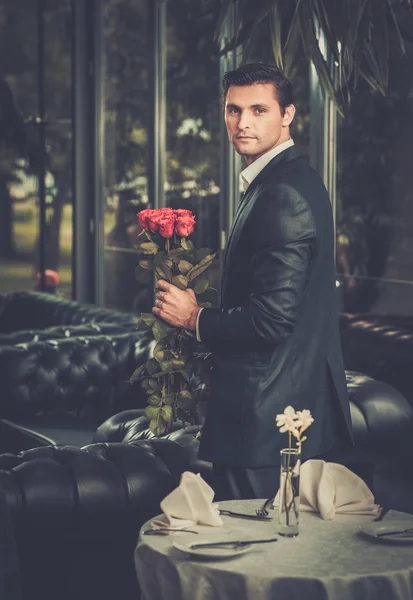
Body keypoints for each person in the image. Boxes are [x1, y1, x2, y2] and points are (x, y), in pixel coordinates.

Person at [152, 62, 353, 501]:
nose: (243, 123)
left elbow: (270, 322)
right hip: (277, 413)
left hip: (268, 421)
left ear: (287, 115)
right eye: (233, 110)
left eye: (259, 109)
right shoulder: (281, 181)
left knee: (259, 556)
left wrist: (195, 318)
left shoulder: (283, 196)